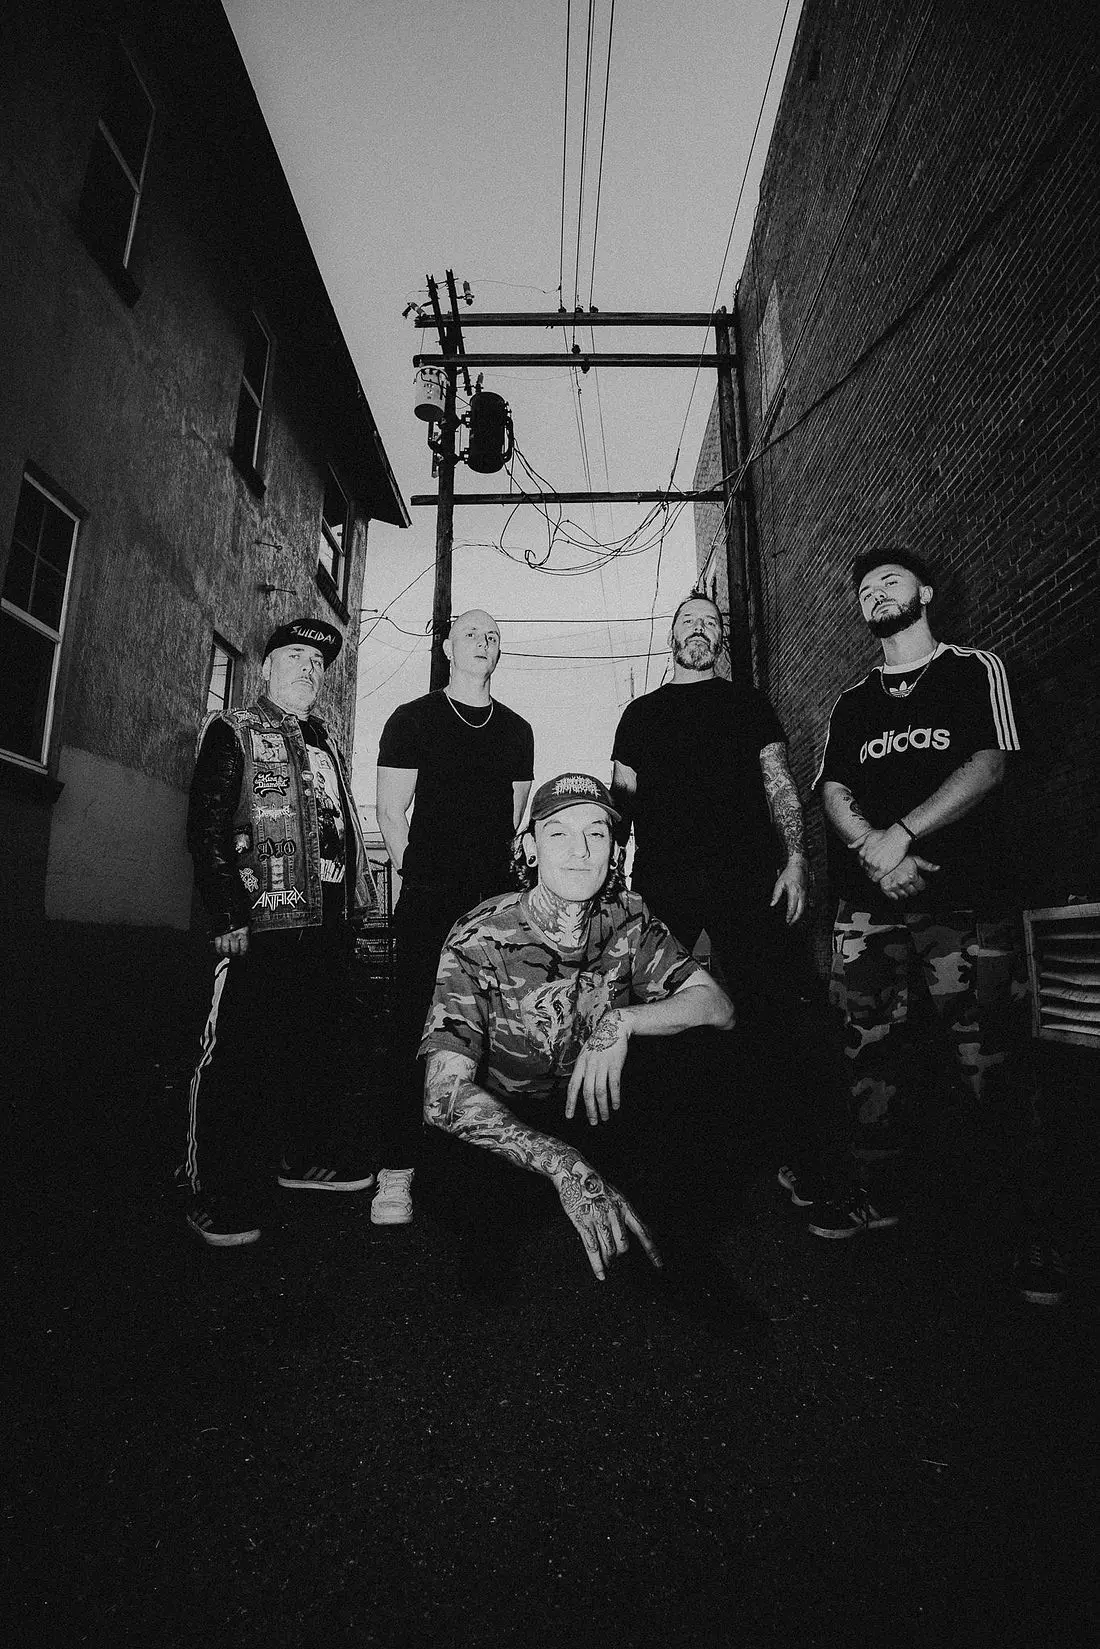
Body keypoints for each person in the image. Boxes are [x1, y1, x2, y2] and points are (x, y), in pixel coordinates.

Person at [797, 549, 1057, 1301]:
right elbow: (834, 791)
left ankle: (1031, 1231)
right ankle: (879, 1193)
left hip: (964, 904)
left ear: (927, 592)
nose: (877, 592)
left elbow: (989, 765)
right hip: (868, 912)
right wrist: (877, 853)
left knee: (991, 1062)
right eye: (866, 589)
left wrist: (903, 833)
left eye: (892, 580)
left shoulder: (974, 671)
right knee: (868, 1058)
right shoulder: (852, 703)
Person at [420, 773, 735, 1285]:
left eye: (596, 833)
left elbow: (719, 1006)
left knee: (702, 1054)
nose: (580, 850)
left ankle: (676, 1253)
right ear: (531, 848)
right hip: (514, 1119)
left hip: (595, 1102)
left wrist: (622, 1021)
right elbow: (442, 1096)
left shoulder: (629, 918)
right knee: (450, 1182)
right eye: (559, 833)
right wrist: (561, 1162)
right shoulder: (480, 936)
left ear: (614, 850)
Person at [182, 617, 378, 1246]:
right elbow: (207, 826)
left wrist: (355, 905)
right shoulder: (234, 728)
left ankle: (298, 1158)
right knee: (240, 1058)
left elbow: (340, 827)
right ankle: (213, 1190)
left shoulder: (324, 741)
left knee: (311, 1048)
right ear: (266, 668)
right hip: (260, 925)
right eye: (294, 656)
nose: (308, 668)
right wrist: (227, 914)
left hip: (324, 926)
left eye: (317, 663)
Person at [376, 609, 534, 1225]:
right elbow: (391, 814)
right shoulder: (412, 719)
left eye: (492, 636)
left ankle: (478, 1162)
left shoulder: (516, 731)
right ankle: (396, 1170)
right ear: (447, 647)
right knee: (413, 1028)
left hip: (492, 908)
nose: (482, 642)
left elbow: (511, 820)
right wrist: (419, 878)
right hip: (428, 903)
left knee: (490, 1032)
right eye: (471, 633)